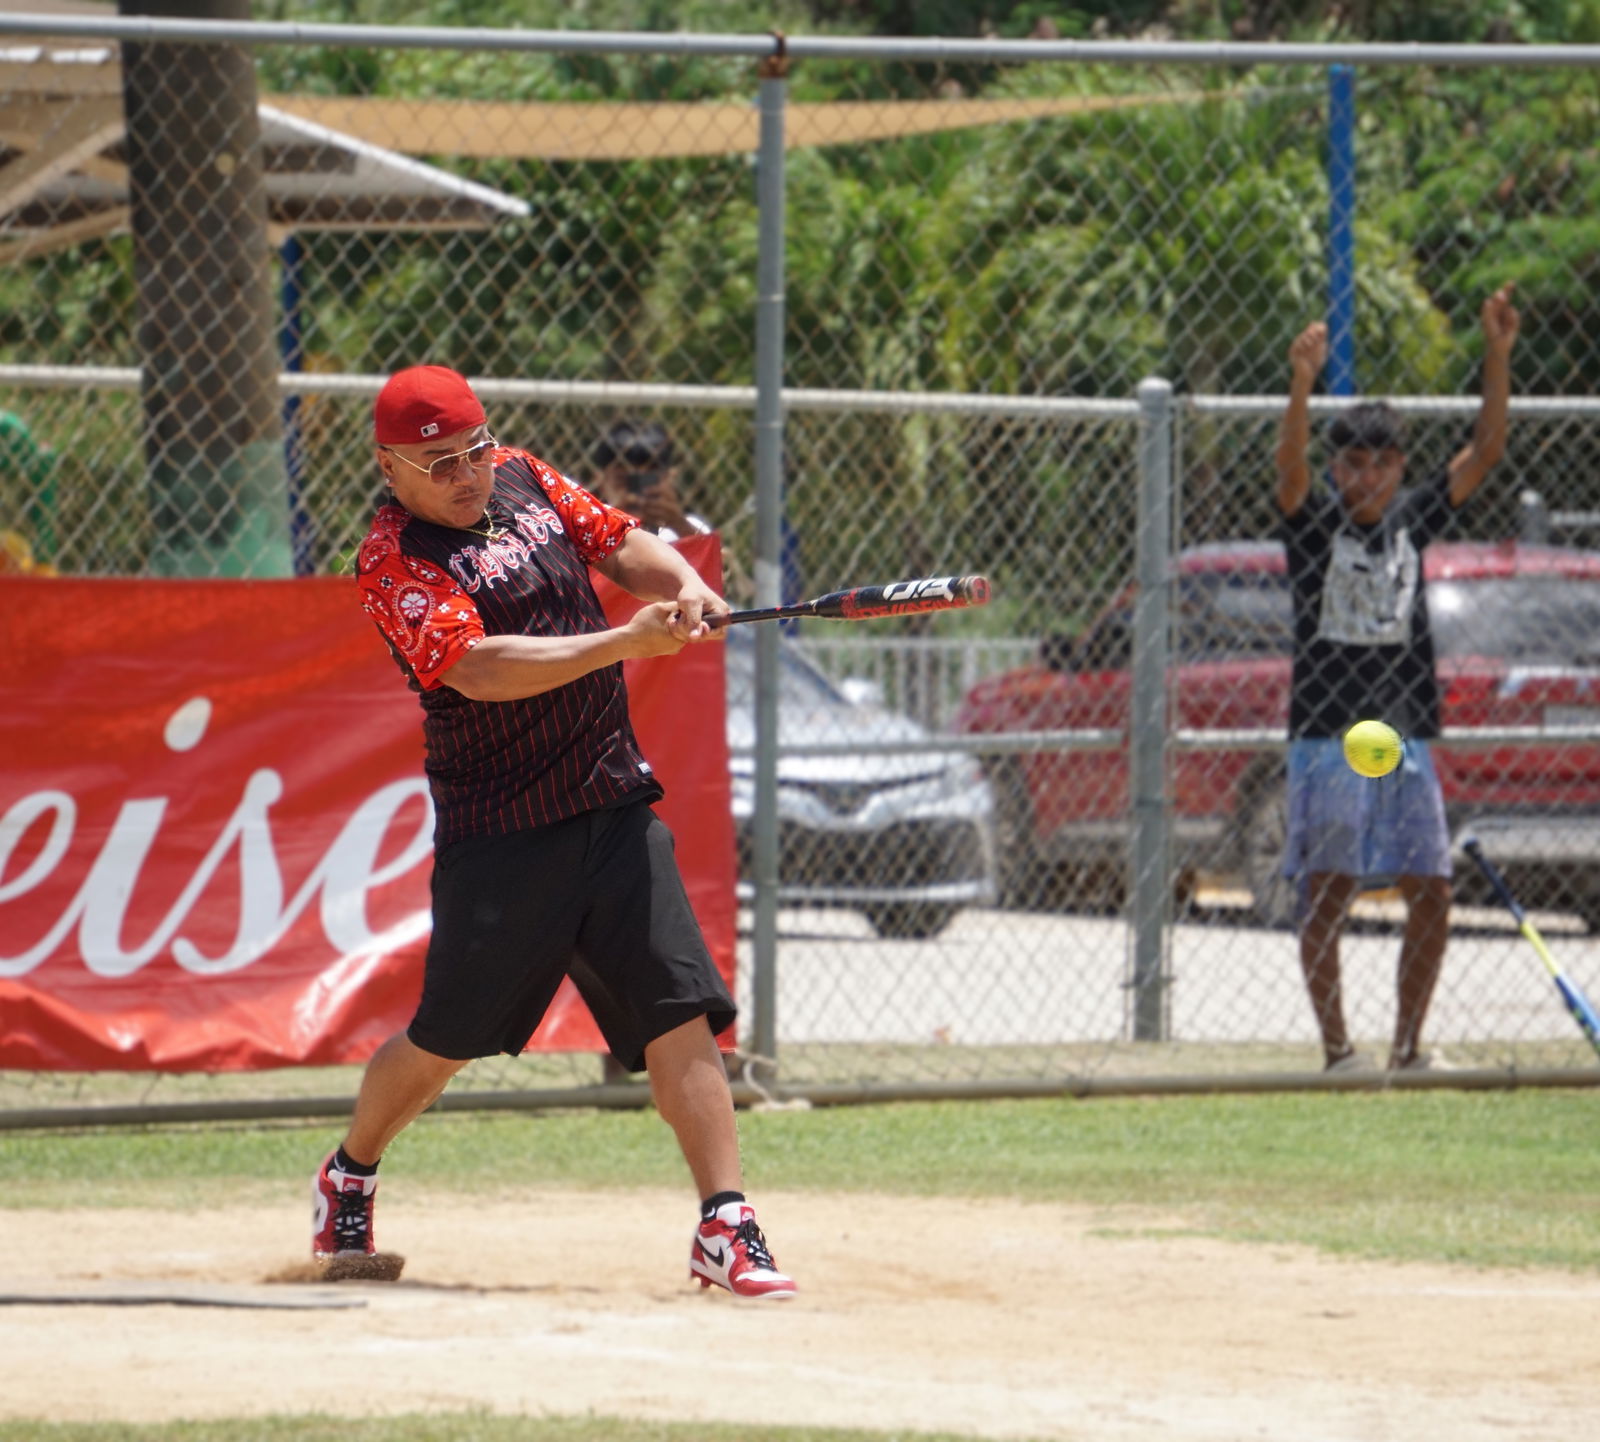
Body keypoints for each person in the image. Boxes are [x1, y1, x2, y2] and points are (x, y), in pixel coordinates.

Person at [313, 365, 795, 1300]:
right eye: (437, 463)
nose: (466, 474)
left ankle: (726, 1224)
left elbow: (620, 543)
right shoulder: (392, 560)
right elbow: (480, 668)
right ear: (389, 469)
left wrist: (687, 583)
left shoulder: (527, 478)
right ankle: (352, 1171)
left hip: (610, 800)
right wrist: (625, 642)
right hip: (503, 831)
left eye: (474, 450)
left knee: (678, 1008)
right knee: (445, 1040)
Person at [1274, 285, 1520, 1073]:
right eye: (1354, 461)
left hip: (1400, 733)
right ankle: (1339, 1052)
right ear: (1338, 466)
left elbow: (1484, 452)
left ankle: (1408, 1050)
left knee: (1432, 891)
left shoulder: (1416, 515)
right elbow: (1288, 472)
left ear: (1399, 468)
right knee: (1331, 892)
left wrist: (1497, 354)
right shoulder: (1314, 526)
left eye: (1383, 463)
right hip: (1330, 734)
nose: (1369, 476)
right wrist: (1302, 387)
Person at [589, 418, 712, 543]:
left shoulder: (684, 531)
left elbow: (709, 557)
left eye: (649, 480)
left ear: (669, 478)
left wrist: (679, 525)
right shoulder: (585, 529)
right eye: (623, 480)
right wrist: (614, 523)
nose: (636, 490)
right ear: (601, 482)